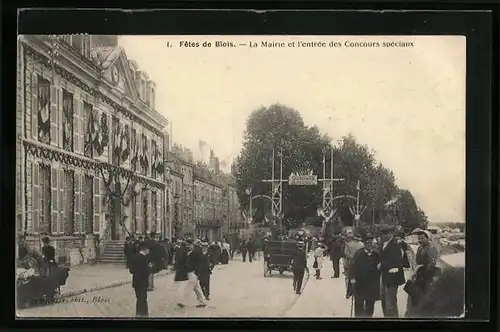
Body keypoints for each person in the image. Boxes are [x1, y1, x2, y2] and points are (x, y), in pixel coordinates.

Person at [405, 229, 440, 317]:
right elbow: (417, 262)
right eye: (419, 238)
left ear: (428, 238)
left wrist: (424, 273)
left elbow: (432, 263)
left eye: (422, 238)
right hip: (419, 274)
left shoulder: (431, 248)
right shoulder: (420, 248)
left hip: (427, 276)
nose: (420, 240)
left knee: (426, 295)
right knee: (415, 293)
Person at [379, 227, 411, 317]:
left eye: (386, 233)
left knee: (390, 302)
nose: (383, 235)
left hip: (392, 277)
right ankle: (387, 317)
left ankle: (393, 319)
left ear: (391, 234)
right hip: (384, 276)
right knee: (384, 300)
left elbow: (397, 262)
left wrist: (382, 264)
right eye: (382, 234)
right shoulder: (383, 245)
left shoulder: (396, 245)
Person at [349, 235, 381, 317]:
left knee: (370, 303)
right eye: (368, 243)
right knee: (359, 303)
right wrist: (352, 278)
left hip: (372, 283)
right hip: (360, 283)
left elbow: (380, 267)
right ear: (364, 244)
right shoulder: (359, 253)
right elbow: (353, 266)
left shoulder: (376, 254)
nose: (370, 245)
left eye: (371, 243)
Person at [180, 238, 206, 308]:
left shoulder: (197, 252)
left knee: (188, 287)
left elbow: (200, 263)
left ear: (192, 245)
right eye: (187, 245)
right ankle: (202, 302)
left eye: (189, 245)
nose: (187, 246)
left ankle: (183, 301)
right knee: (196, 288)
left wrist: (197, 273)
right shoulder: (186, 252)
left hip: (194, 272)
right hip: (189, 272)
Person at [129, 241, 152, 317]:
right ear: (145, 249)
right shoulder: (145, 259)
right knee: (143, 299)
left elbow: (131, 270)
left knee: (138, 298)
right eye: (148, 249)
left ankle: (138, 314)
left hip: (136, 282)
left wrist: (137, 273)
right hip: (143, 282)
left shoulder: (134, 257)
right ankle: (144, 315)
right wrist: (150, 268)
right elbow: (147, 272)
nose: (149, 251)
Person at [343, 231, 364, 296]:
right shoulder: (362, 244)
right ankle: (357, 290)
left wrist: (352, 258)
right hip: (359, 263)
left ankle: (349, 292)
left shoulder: (348, 244)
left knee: (348, 277)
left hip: (350, 262)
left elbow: (346, 253)